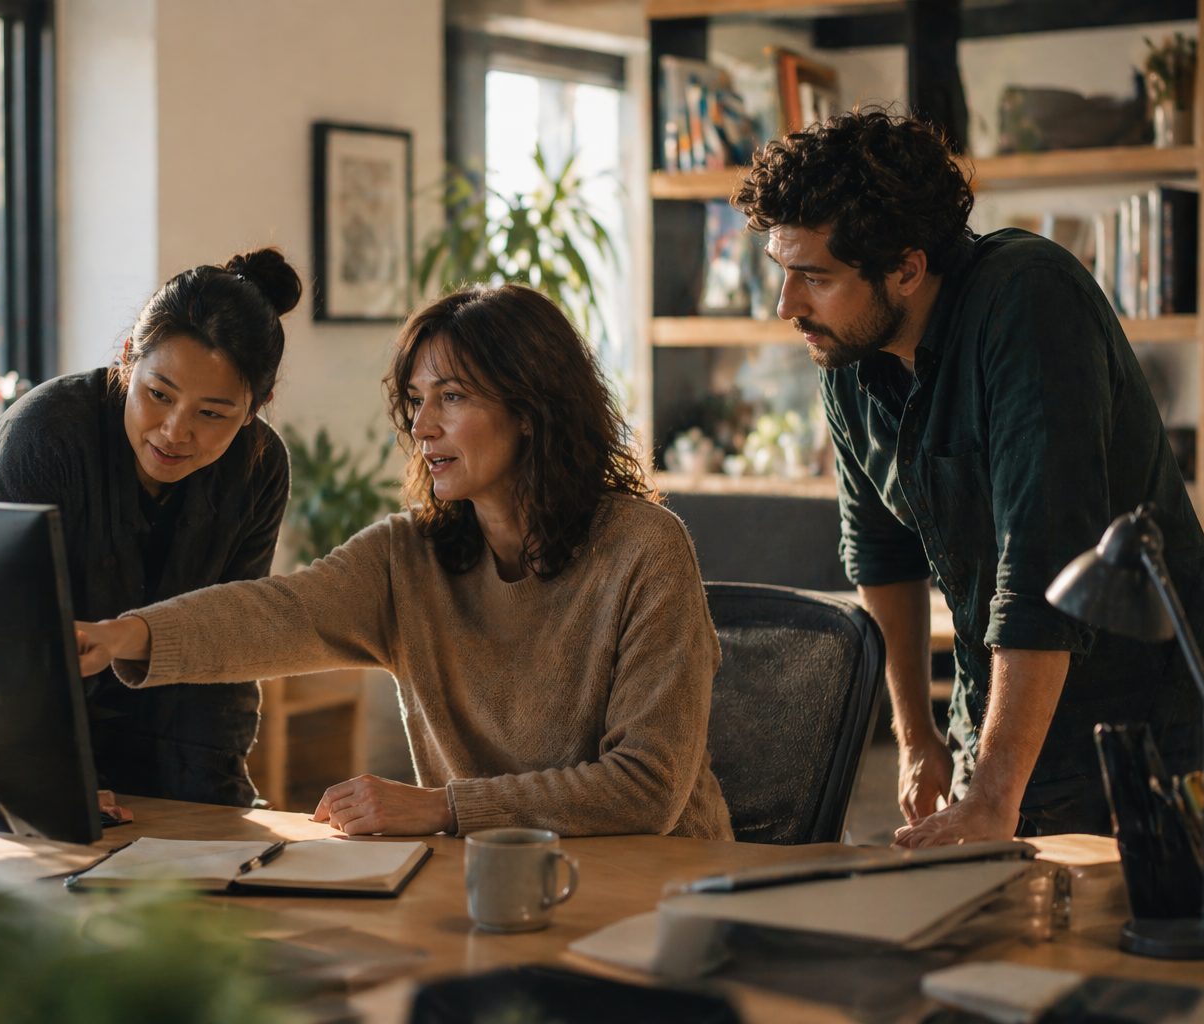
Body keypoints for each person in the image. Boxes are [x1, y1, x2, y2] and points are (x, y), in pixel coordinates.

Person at [77, 284, 733, 839]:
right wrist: (126, 635)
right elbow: (280, 612)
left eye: (451, 397)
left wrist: (444, 808)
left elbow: (647, 787)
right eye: (417, 401)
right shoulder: (409, 555)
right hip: (488, 886)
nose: (422, 428)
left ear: (532, 408)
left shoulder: (646, 549)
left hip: (664, 888)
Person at [732, 109, 1204, 845]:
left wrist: (995, 791)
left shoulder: (1028, 300)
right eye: (783, 273)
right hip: (995, 728)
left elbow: (1040, 562)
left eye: (814, 278)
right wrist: (917, 734)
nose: (787, 307)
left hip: (1147, 741)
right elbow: (880, 554)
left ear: (907, 266)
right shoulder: (848, 354)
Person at [0, 248, 300, 807]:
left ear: (256, 407)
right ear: (127, 360)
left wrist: (218, 808)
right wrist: (50, 784)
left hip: (164, 755)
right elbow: (6, 638)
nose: (174, 431)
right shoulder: (44, 435)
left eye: (212, 413)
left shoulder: (261, 468)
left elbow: (226, 642)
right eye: (158, 394)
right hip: (5, 749)